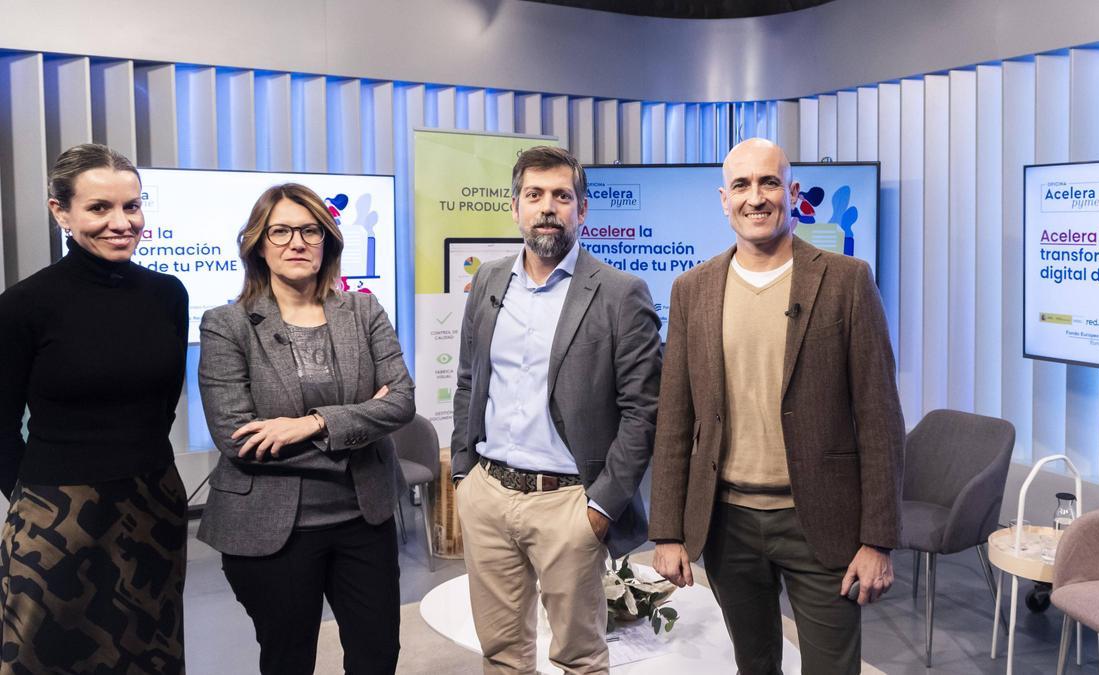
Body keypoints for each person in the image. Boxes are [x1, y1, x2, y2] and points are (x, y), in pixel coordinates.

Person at [650, 138, 904, 674]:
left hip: (822, 524)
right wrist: (667, 530)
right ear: (724, 199)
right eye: (741, 185)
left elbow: (880, 418)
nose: (756, 197)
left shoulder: (846, 280)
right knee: (755, 665)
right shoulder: (691, 290)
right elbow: (675, 420)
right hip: (726, 524)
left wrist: (877, 539)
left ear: (791, 192)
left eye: (768, 183)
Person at [451, 146, 662, 674]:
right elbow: (467, 381)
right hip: (489, 494)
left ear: (582, 209)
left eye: (562, 196)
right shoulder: (490, 282)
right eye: (534, 195)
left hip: (568, 504)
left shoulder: (619, 294)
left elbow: (643, 411)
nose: (548, 207)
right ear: (516, 207)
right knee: (501, 654)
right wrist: (462, 475)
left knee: (580, 659)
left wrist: (601, 507)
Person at [197, 183, 414, 675]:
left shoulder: (363, 311)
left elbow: (401, 402)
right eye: (281, 230)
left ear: (327, 241)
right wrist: (361, 424)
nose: (296, 242)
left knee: (378, 656)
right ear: (258, 243)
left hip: (364, 519)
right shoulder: (227, 325)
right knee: (289, 660)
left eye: (309, 230)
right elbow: (238, 438)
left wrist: (306, 426)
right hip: (275, 529)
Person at [0, 143, 189, 673]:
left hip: (155, 504)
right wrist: (35, 500)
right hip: (56, 518)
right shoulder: (22, 306)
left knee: (149, 653)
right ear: (60, 211)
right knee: (46, 657)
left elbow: (161, 406)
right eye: (99, 208)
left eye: (132, 206)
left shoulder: (167, 294)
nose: (121, 222)